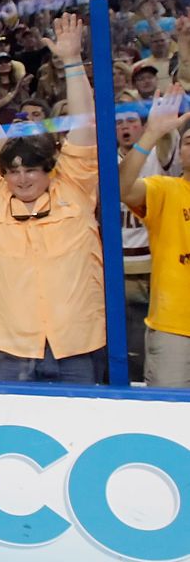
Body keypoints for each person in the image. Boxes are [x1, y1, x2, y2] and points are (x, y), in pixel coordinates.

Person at [0, 16, 106, 383]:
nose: (22, 178)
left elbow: (84, 123)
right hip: (10, 352)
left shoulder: (75, 186)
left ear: (49, 167)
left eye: (31, 169)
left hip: (77, 346)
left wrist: (73, 61)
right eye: (13, 170)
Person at [119, 85, 190, 387]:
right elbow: (119, 189)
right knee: (169, 420)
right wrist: (150, 134)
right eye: (188, 141)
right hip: (174, 327)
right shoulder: (166, 189)